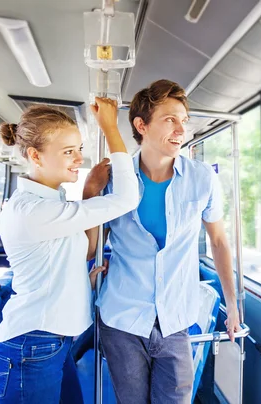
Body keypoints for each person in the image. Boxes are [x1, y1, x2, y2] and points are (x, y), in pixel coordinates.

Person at [96, 79, 240, 403]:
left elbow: (218, 241)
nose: (180, 130)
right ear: (141, 125)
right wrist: (89, 193)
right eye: (170, 120)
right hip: (123, 320)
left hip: (175, 320)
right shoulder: (114, 180)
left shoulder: (202, 179)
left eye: (183, 121)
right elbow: (91, 245)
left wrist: (232, 304)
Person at [0, 100, 139, 404]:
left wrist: (81, 281)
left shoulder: (54, 201)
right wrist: (110, 127)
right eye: (68, 151)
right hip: (30, 348)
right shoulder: (33, 210)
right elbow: (126, 199)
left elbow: (86, 250)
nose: (79, 159)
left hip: (51, 342)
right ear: (35, 155)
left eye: (79, 149)